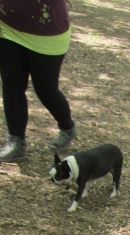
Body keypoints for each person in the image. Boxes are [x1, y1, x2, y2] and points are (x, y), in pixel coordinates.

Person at [0, 0, 76, 163]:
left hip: (48, 32)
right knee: (12, 84)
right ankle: (16, 141)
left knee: (46, 90)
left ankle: (67, 127)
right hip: (8, 25)